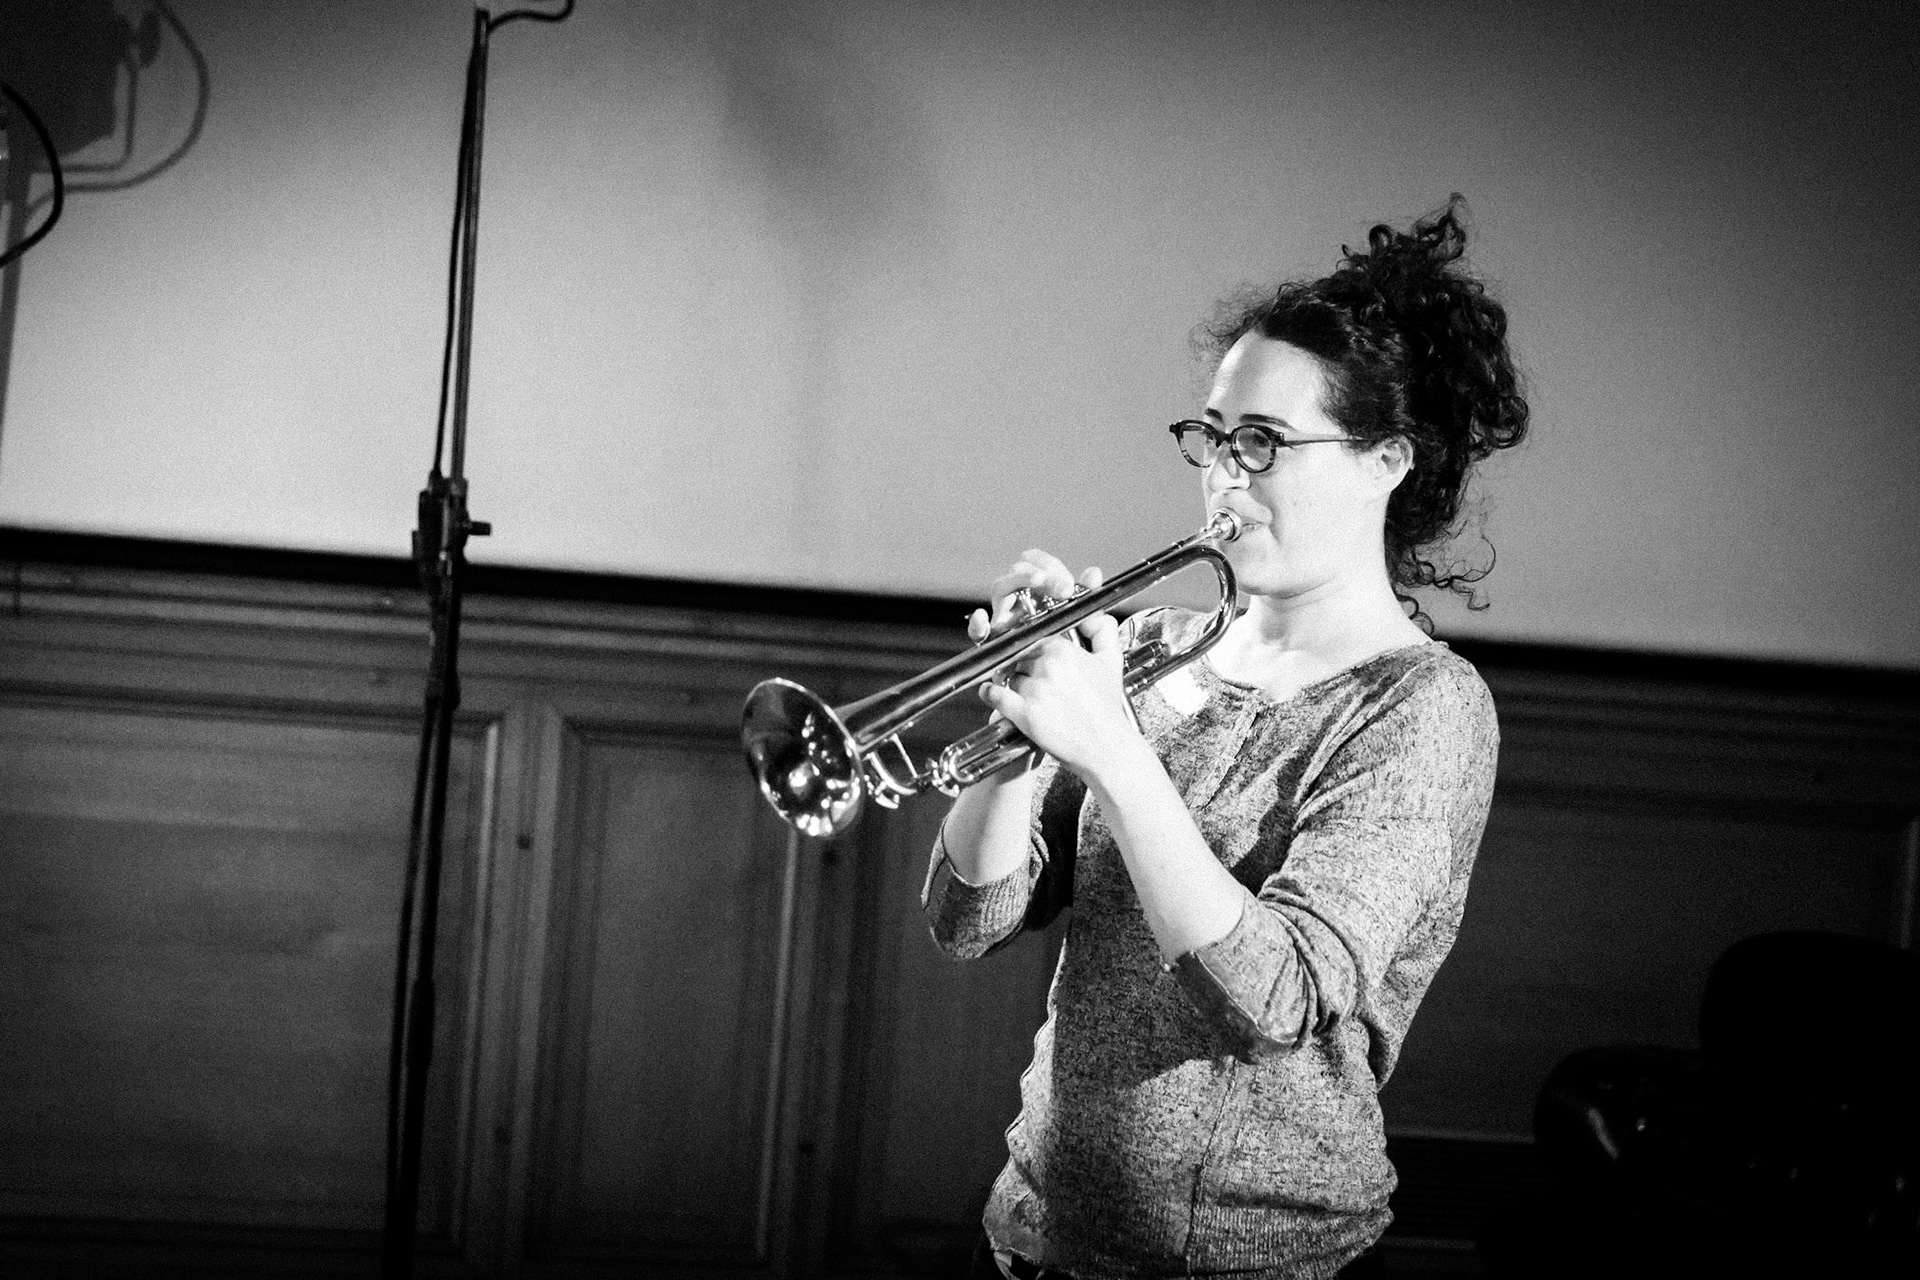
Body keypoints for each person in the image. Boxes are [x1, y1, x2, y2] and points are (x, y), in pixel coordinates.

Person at [922, 198, 1529, 1280]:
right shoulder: (1157, 646)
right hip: (1035, 1235)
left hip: (1257, 1263)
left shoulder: (1420, 709)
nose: (1224, 473)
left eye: (1264, 443)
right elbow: (971, 918)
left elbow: (1282, 993)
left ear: (1388, 459)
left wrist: (1109, 747)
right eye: (1213, 435)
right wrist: (1018, 732)